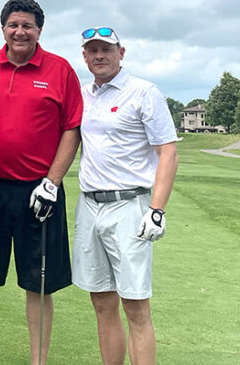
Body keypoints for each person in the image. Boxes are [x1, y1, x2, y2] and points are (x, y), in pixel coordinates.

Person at [0, 0, 83, 365]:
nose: (20, 31)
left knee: (39, 284)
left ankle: (37, 362)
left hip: (40, 192)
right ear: (3, 29)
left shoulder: (59, 70)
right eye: (13, 25)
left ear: (39, 30)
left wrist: (53, 182)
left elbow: (71, 128)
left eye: (27, 25)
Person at [72, 26, 179, 365]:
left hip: (130, 205)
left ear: (121, 53)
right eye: (92, 50)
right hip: (89, 205)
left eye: (106, 49)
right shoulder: (83, 95)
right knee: (102, 302)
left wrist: (157, 208)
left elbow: (168, 152)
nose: (99, 55)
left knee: (135, 306)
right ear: (85, 56)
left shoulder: (144, 92)